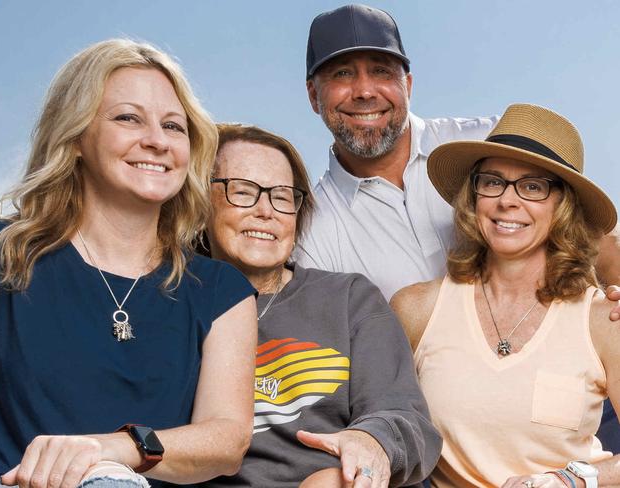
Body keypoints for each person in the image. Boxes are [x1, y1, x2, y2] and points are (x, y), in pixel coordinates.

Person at [0, 39, 257, 488]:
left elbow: (225, 443)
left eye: (173, 126)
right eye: (128, 118)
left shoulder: (220, 289)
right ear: (76, 136)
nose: (157, 141)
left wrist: (112, 449)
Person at [294, 3, 620, 304]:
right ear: (312, 95)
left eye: (381, 71)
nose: (365, 91)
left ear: (407, 85)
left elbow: (593, 237)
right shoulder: (313, 233)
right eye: (342, 74)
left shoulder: (491, 144)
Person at [390, 103, 620, 487]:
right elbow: (382, 429)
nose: (507, 200)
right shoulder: (416, 310)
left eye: (533, 186)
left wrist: (574, 480)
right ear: (474, 195)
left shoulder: (603, 319)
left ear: (563, 205)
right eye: (493, 181)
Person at [202, 123, 441, 488]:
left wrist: (371, 442)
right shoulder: (172, 304)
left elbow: (405, 418)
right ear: (200, 200)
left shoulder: (349, 299)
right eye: (243, 191)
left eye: (282, 196)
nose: (266, 211)